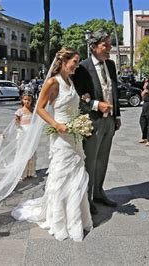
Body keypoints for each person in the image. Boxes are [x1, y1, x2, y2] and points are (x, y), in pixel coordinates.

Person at [12, 47, 93, 241]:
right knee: (62, 173)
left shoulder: (70, 80)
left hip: (74, 134)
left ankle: (76, 215)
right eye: (75, 61)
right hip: (61, 135)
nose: (77, 65)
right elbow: (39, 108)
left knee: (77, 172)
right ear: (64, 61)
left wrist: (80, 120)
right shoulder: (52, 82)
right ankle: (59, 218)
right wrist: (56, 124)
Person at [71, 30, 121, 214]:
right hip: (92, 121)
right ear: (93, 47)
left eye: (109, 44)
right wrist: (96, 105)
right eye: (105, 45)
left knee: (103, 159)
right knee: (90, 161)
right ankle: (87, 197)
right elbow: (77, 97)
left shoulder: (111, 65)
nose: (109, 48)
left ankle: (99, 192)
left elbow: (114, 90)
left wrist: (117, 116)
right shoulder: (82, 68)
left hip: (109, 122)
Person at [15, 91, 37, 180]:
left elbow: (35, 121)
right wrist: (20, 129)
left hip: (31, 133)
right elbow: (17, 122)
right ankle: (22, 172)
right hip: (23, 133)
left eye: (29, 100)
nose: (27, 101)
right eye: (25, 99)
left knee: (31, 151)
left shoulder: (33, 110)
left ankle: (30, 172)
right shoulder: (20, 111)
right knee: (23, 152)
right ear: (22, 100)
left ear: (32, 101)